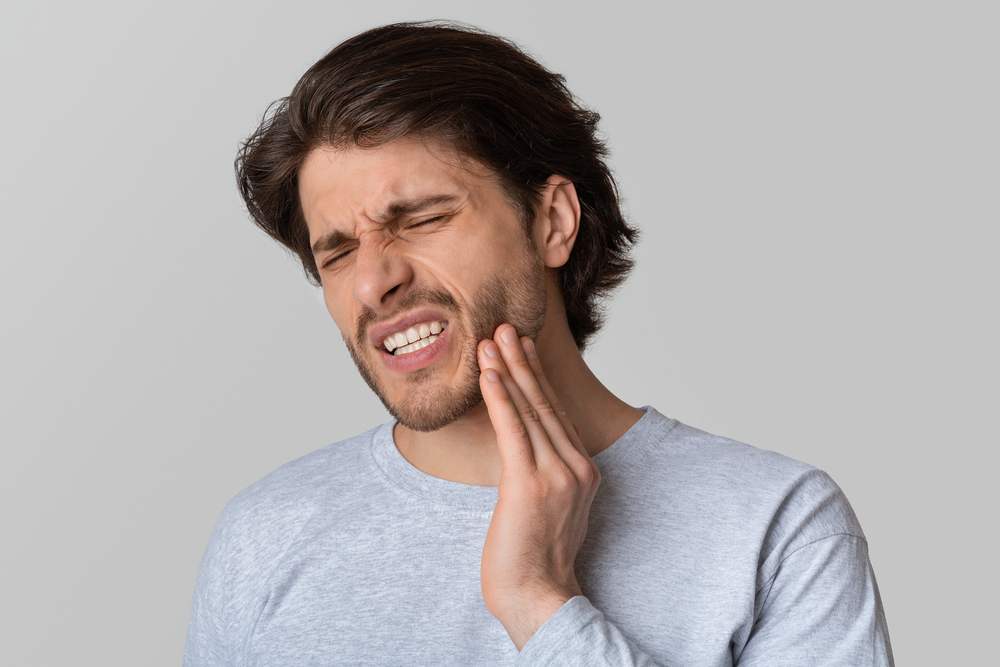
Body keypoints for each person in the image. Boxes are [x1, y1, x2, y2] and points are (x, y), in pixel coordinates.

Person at [184, 21, 893, 666]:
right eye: (338, 253)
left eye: (422, 219)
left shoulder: (777, 527)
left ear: (552, 221)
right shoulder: (263, 536)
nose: (372, 283)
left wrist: (540, 605)